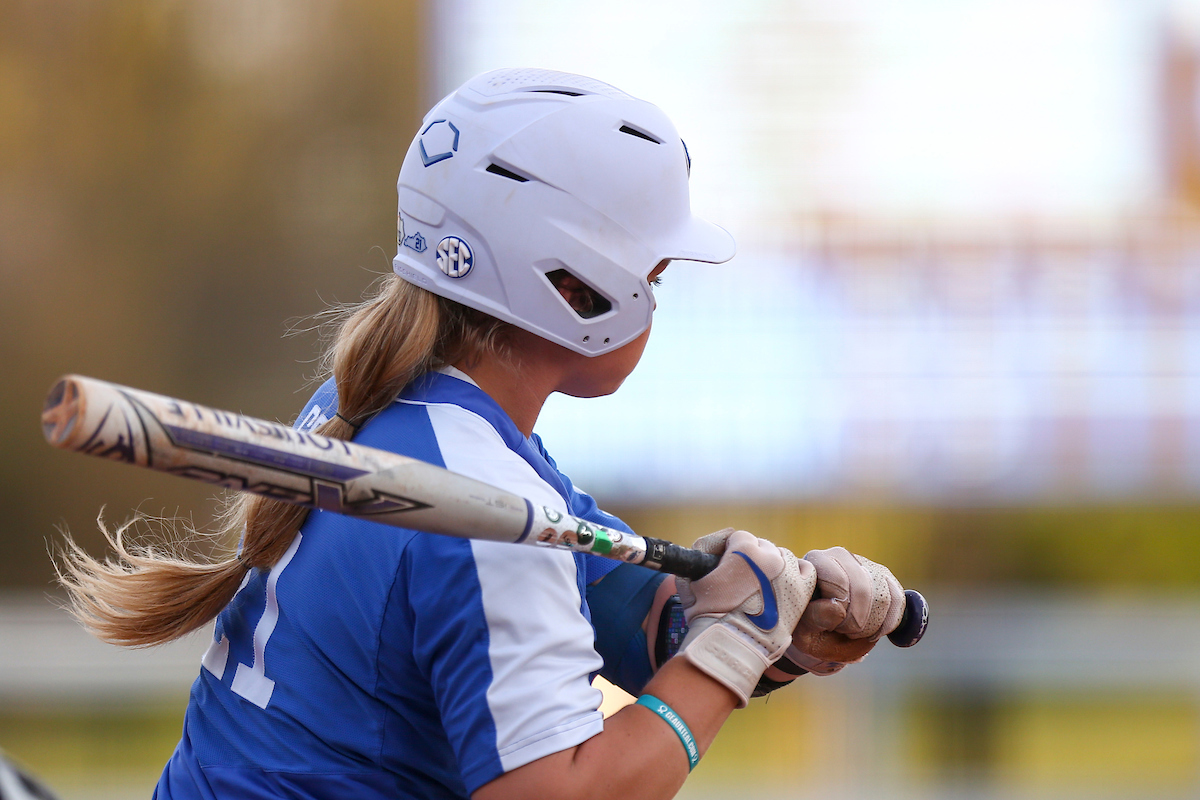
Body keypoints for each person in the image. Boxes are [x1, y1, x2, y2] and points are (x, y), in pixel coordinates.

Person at [56, 68, 907, 800]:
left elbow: (605, 613)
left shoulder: (391, 413)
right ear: (576, 289)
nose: (660, 298)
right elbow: (558, 790)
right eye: (655, 275)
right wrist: (726, 660)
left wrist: (754, 632)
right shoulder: (485, 505)